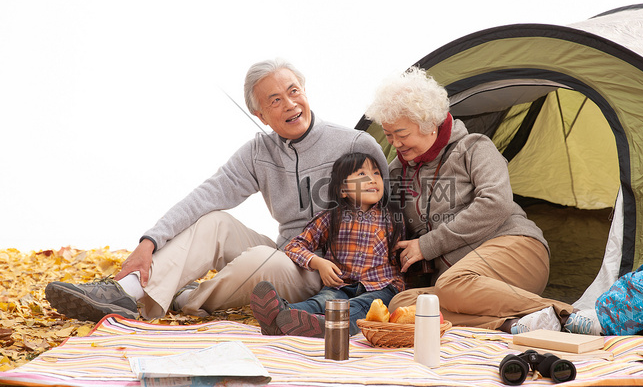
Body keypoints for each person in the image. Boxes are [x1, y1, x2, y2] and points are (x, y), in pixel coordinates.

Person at [44, 59, 389, 323]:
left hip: (331, 274)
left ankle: (185, 298)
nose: (289, 104)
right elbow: (205, 196)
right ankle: (125, 292)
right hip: (288, 256)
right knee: (215, 222)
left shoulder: (355, 144)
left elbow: (391, 211)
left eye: (294, 91)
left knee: (257, 261)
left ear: (305, 91)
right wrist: (148, 241)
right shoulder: (259, 152)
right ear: (261, 114)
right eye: (275, 99)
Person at [363, 67, 599, 335]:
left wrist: (428, 245)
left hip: (516, 249)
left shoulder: (474, 147)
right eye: (389, 135)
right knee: (403, 304)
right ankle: (515, 324)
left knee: (450, 285)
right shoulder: (396, 172)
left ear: (428, 123)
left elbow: (496, 203)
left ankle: (571, 315)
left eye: (401, 134)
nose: (395, 144)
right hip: (462, 285)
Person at [250, 152, 405, 337]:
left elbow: (403, 256)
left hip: (382, 287)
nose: (372, 179)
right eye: (362, 174)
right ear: (343, 190)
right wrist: (319, 263)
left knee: (363, 306)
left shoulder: (394, 219)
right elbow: (294, 247)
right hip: (340, 285)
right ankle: (278, 318)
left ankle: (334, 327)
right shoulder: (331, 218)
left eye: (377, 173)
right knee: (320, 302)